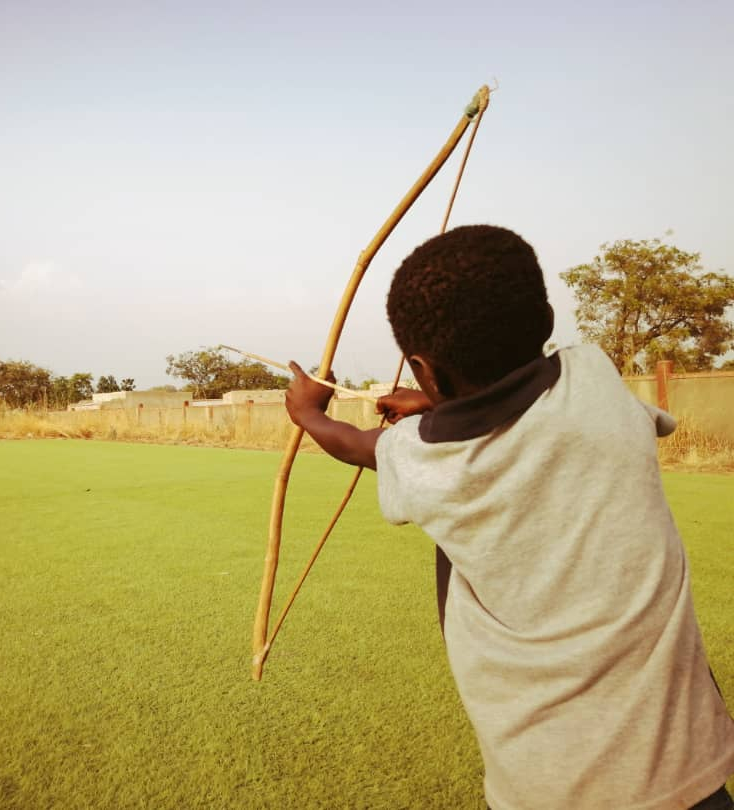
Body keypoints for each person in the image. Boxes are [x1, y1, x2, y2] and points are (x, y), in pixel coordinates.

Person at [283, 225, 734, 810]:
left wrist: (308, 414)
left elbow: (356, 444)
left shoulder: (427, 458)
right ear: (546, 319)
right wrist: (436, 398)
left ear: (422, 367)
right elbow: (528, 397)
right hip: (688, 768)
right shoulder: (593, 375)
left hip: (547, 783)